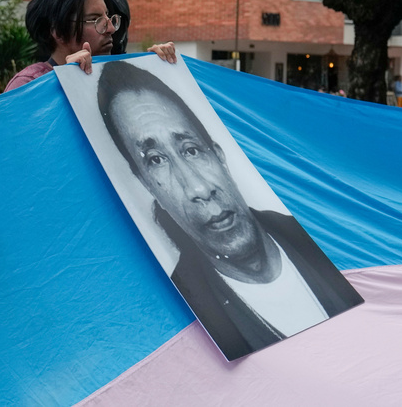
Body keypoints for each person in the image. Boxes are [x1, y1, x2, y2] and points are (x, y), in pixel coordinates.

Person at [96, 60, 362, 361]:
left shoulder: (312, 233)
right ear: (146, 185)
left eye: (191, 150)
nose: (198, 189)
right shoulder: (175, 311)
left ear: (220, 155)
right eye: (156, 160)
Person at [4, 0, 176, 92]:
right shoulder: (29, 85)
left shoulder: (115, 80)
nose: (110, 28)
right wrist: (69, 80)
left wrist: (161, 70)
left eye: (108, 17)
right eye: (95, 20)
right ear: (58, 32)